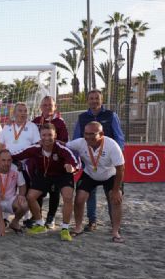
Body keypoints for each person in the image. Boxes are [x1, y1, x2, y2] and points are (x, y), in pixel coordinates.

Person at [12, 123, 80, 241]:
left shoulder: (61, 149)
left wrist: (72, 168)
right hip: (45, 176)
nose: (47, 138)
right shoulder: (35, 149)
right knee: (30, 196)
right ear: (40, 136)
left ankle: (65, 229)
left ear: (55, 135)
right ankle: (40, 224)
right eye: (44, 135)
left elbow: (75, 161)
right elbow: (16, 155)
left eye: (50, 135)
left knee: (68, 197)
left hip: (62, 176)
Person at [73, 89, 125, 232]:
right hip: (90, 163)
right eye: (91, 98)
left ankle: (114, 225)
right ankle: (92, 222)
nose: (94, 101)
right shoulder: (82, 118)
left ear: (101, 100)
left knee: (113, 195)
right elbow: (76, 139)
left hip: (108, 164)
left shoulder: (110, 115)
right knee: (89, 194)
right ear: (87, 100)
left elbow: (119, 137)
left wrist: (116, 156)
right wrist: (79, 161)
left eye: (97, 98)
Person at [67, 122, 125, 242]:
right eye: (86, 134)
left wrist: (115, 191)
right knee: (79, 199)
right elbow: (63, 147)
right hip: (90, 173)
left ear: (101, 134)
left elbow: (120, 169)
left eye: (92, 134)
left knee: (116, 199)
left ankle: (115, 232)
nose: (88, 137)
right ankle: (78, 227)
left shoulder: (112, 145)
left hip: (110, 174)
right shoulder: (80, 142)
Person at [31, 96, 68, 229]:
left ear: (55, 107)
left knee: (54, 191)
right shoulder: (35, 121)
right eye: (45, 105)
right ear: (40, 107)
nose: (47, 107)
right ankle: (38, 217)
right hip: (39, 162)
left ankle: (51, 218)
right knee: (38, 190)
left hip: (55, 163)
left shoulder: (60, 122)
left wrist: (49, 142)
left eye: (50, 105)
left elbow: (65, 142)